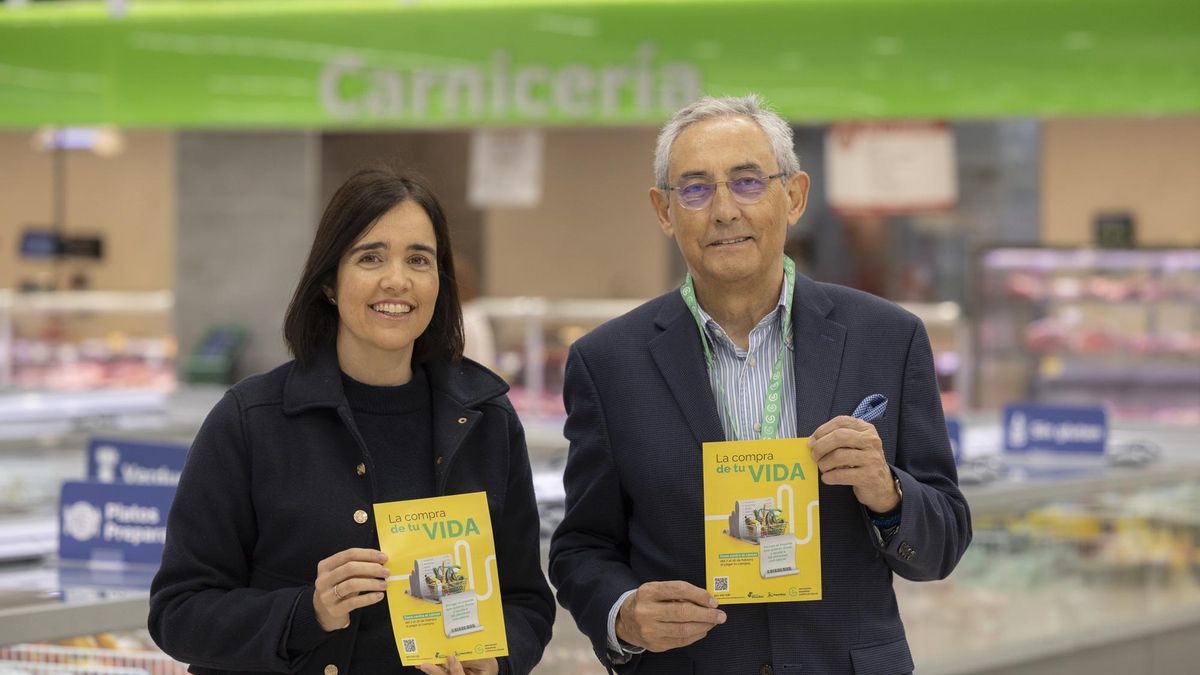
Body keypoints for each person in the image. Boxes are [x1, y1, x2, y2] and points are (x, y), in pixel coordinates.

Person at [548, 95, 971, 674]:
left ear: (793, 196)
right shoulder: (607, 363)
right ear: (664, 210)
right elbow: (582, 547)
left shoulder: (887, 338)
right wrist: (622, 613)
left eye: (748, 182)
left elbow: (943, 542)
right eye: (695, 189)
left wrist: (887, 492)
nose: (724, 210)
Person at [149, 167, 554, 675]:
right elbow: (178, 613)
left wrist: (495, 660)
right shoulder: (250, 420)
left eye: (418, 259)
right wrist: (309, 612)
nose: (397, 280)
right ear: (329, 283)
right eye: (370, 257)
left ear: (440, 282)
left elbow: (525, 601)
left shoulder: (487, 420)